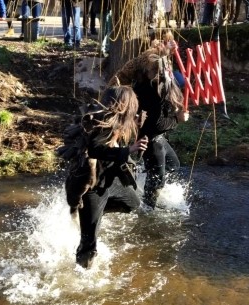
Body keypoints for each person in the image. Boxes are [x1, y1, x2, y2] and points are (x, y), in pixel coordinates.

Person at [108, 32, 189, 210]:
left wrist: (169, 52)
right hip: (150, 136)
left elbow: (158, 57)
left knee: (173, 165)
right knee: (158, 180)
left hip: (155, 135)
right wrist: (177, 119)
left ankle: (144, 179)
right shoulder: (151, 87)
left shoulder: (150, 66)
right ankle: (147, 210)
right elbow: (157, 124)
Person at [73, 86, 148, 268]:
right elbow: (94, 150)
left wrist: (135, 128)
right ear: (126, 104)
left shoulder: (120, 122)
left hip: (109, 181)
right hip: (91, 187)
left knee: (133, 203)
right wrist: (128, 149)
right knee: (89, 245)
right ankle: (81, 277)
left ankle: (95, 213)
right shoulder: (99, 122)